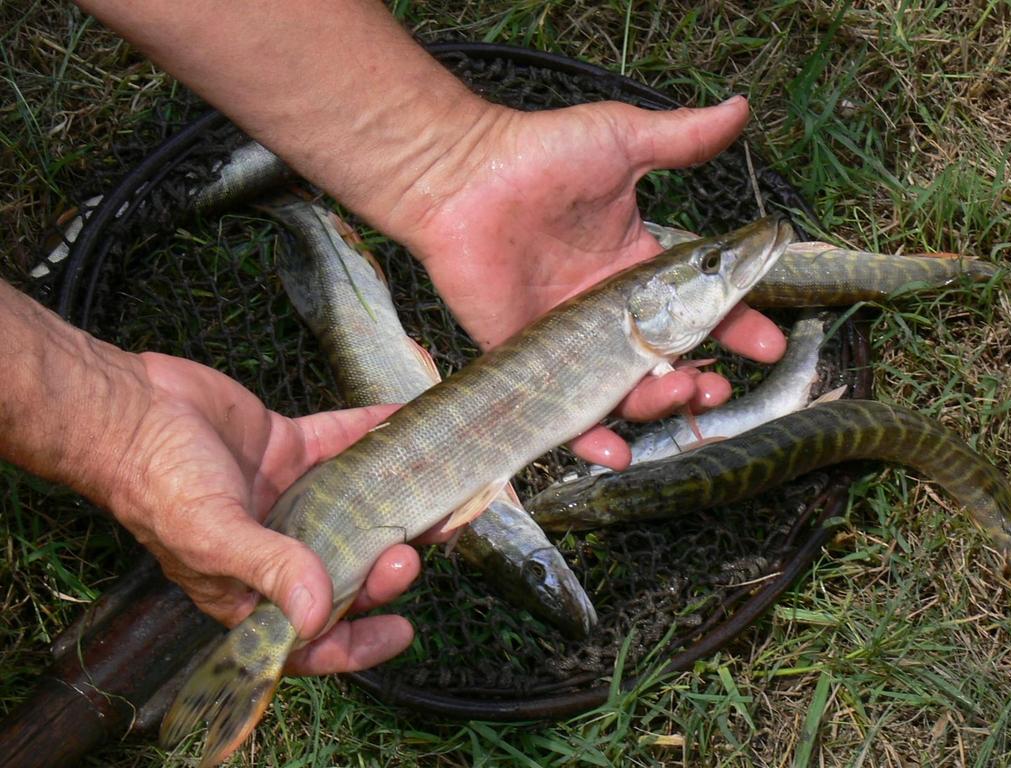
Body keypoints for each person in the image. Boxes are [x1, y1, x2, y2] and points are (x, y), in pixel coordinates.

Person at [0, 0, 786, 677]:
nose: (728, 266)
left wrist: (451, 159)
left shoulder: (632, 322)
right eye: (712, 267)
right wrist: (118, 432)